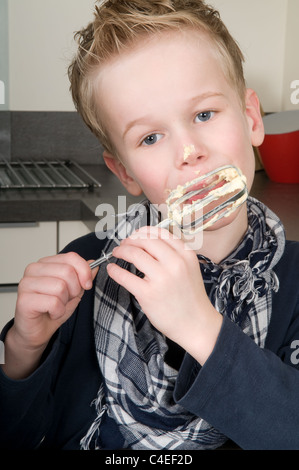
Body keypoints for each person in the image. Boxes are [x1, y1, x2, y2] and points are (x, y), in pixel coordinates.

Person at [1, 0, 299, 450]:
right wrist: (24, 350)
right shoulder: (87, 265)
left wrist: (201, 327)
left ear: (252, 118)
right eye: (151, 137)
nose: (188, 151)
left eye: (204, 114)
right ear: (125, 173)